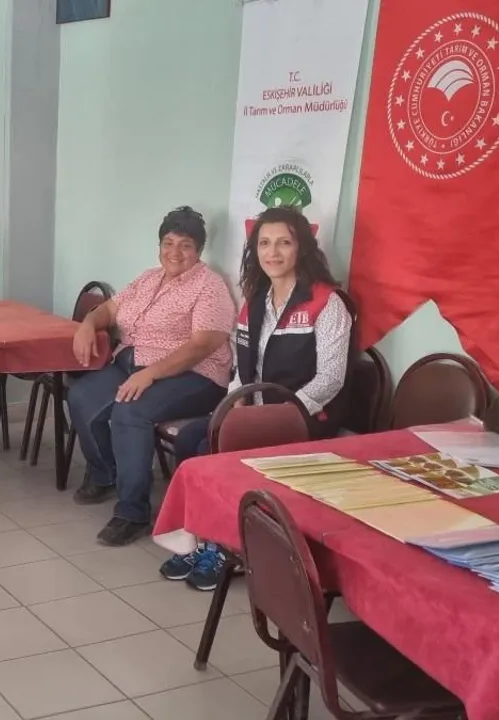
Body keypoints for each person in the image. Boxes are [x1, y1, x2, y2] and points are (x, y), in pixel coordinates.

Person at [158, 206, 353, 590]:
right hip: (255, 409)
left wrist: (276, 417)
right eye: (264, 243)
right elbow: (243, 371)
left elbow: (330, 380)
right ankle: (199, 537)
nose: (272, 252)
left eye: (283, 243)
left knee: (217, 449)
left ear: (302, 248)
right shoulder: (256, 300)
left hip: (303, 417)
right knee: (191, 439)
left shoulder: (326, 303)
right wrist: (231, 407)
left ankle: (226, 547)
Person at [67, 207, 235, 547]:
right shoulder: (147, 279)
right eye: (168, 243)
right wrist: (88, 323)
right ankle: (104, 473)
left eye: (185, 245)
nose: (175, 252)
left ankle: (133, 513)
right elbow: (109, 310)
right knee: (81, 396)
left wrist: (150, 375)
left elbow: (202, 345)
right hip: (132, 364)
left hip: (194, 375)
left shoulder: (210, 286)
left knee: (130, 412)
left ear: (199, 250)